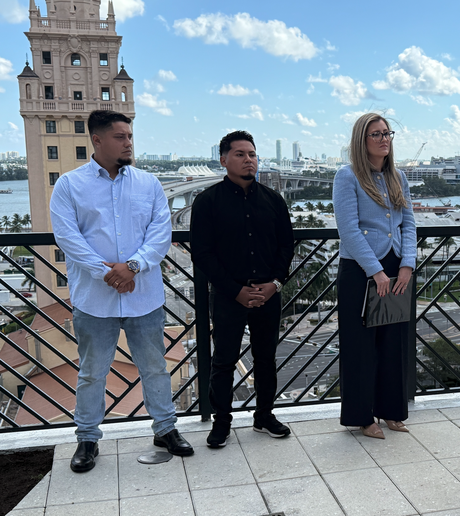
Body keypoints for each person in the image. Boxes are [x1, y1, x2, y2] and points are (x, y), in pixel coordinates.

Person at [50, 110, 193, 472]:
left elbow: (160, 235)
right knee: (92, 372)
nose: (128, 142)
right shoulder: (69, 185)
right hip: (95, 300)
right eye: (120, 137)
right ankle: (86, 439)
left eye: (130, 135)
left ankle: (165, 429)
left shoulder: (149, 184)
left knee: (155, 367)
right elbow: (69, 238)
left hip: (143, 294)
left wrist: (130, 268)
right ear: (97, 140)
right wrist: (108, 274)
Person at [190, 130, 294, 447]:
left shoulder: (273, 201)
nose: (248, 160)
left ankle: (264, 415)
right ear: (223, 160)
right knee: (223, 360)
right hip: (227, 296)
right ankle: (222, 422)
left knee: (266, 359)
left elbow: (286, 246)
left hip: (268, 294)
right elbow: (202, 253)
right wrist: (235, 290)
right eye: (240, 154)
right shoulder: (207, 202)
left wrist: (275, 283)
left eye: (252, 154)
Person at [333, 112, 416, 439]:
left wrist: (407, 263)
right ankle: (362, 416)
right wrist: (376, 271)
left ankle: (392, 411)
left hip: (396, 268)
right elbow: (348, 230)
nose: (384, 139)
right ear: (361, 140)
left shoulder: (398, 177)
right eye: (376, 134)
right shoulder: (347, 177)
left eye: (387, 133)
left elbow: (408, 224)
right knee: (360, 347)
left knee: (393, 343)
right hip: (360, 271)